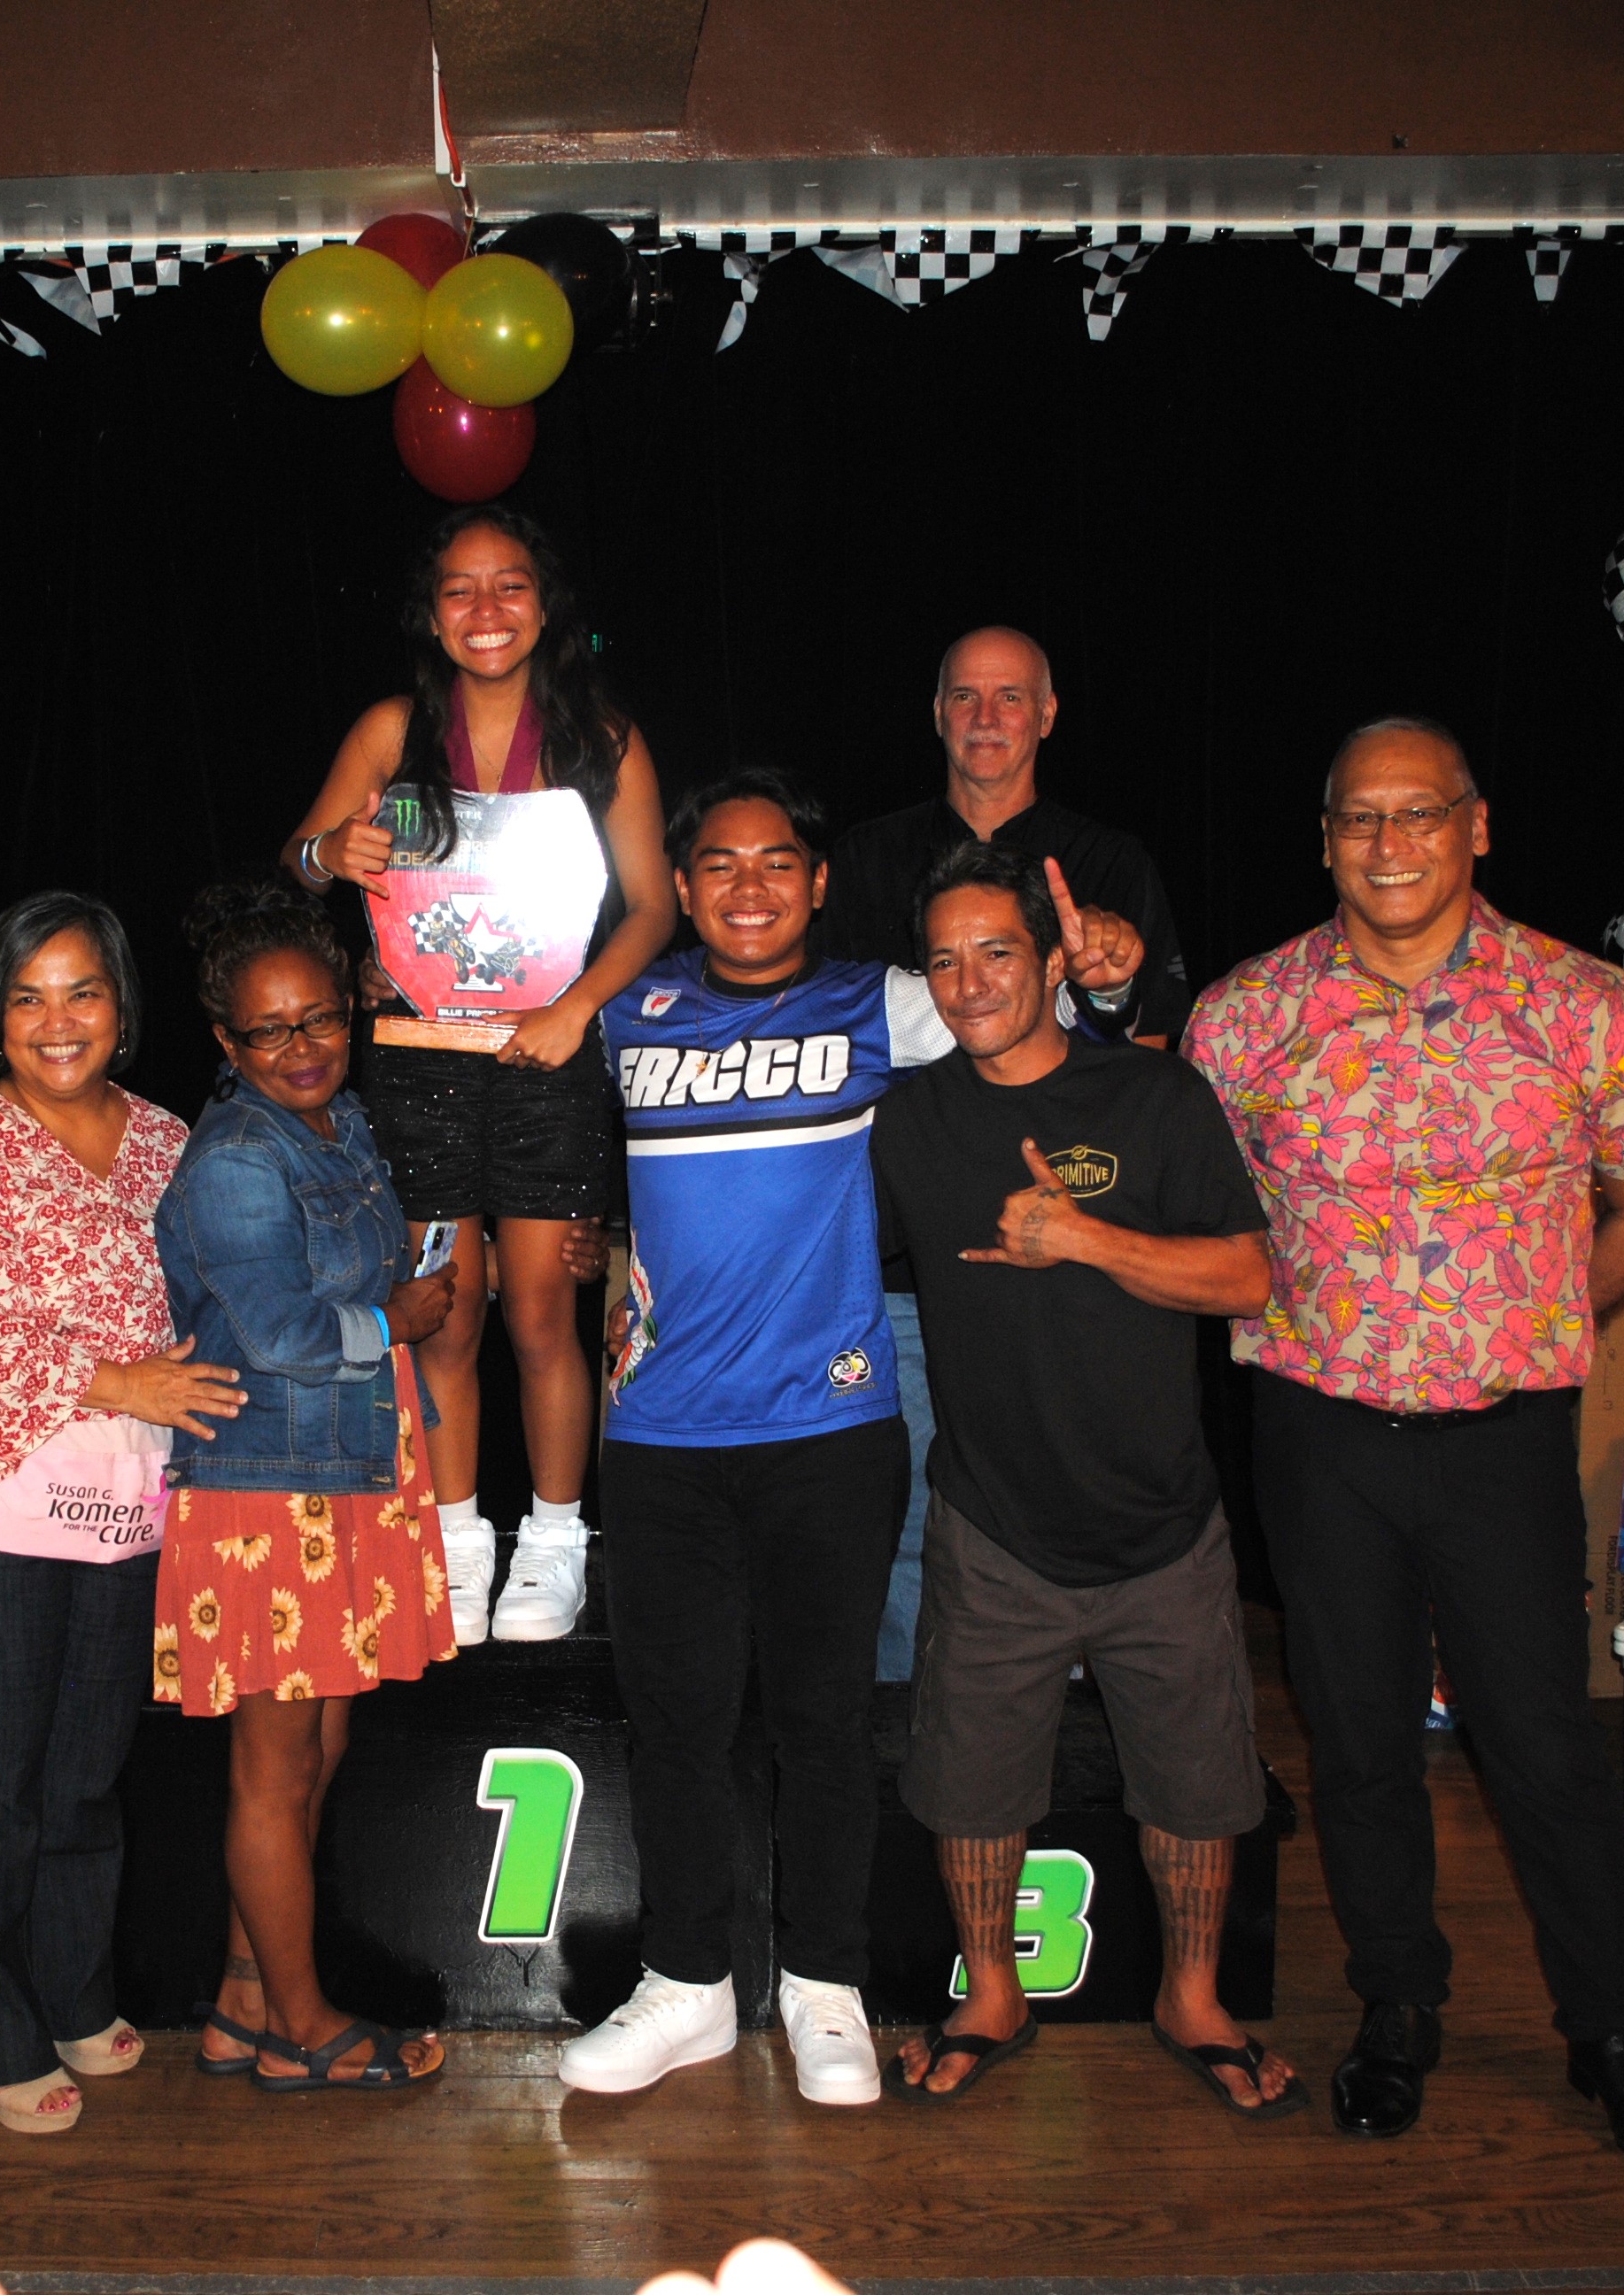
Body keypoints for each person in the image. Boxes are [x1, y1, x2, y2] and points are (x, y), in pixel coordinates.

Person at [1183, 716, 1624, 2179]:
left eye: (1419, 814)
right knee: (1353, 1743)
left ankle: (1611, 2031)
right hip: (1315, 1432)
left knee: (1539, 1744)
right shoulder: (1245, 1019)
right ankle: (1396, 2006)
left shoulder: (1585, 1008)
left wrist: (1531, 1316)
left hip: (1498, 1439)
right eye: (1359, 817)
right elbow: (1208, 1215)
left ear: (1476, 826)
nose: (1388, 842)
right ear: (1324, 838)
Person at [870, 843, 1295, 2113]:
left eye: (997, 951)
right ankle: (992, 1993)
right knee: (974, 1780)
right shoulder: (914, 1120)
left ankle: (1194, 1997)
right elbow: (819, 1249)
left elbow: (1250, 1280)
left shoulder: (1157, 1103)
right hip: (994, 1520)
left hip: (1162, 1521)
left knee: (1200, 1782)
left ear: (1054, 964)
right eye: (944, 959)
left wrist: (1083, 1240)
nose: (970, 981)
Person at [559, 769, 948, 2108]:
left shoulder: (878, 1005)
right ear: (684, 885)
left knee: (824, 1722)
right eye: (717, 864)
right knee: (676, 1727)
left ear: (820, 879)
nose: (747, 886)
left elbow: (1025, 1010)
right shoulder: (624, 1009)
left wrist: (1111, 983)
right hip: (662, 1439)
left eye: (775, 861)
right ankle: (689, 1986)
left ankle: (823, 1984)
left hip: (830, 1430)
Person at [281, 506, 675, 1644]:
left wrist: (576, 1009)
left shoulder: (601, 737)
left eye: (509, 585)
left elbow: (651, 906)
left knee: (548, 1311)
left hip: (547, 1061)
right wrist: (332, 853)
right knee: (442, 1311)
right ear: (431, 612)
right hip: (415, 1067)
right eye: (460, 589)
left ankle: (555, 1538)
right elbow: (301, 862)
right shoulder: (391, 732)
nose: (486, 610)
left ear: (545, 604)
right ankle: (452, 1535)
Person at [0, 893, 233, 2135]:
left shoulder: (170, 1141)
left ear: (123, 1007)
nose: (57, 1019)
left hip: (126, 1499)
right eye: (28, 994)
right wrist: (117, 1376)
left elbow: (217, 1290)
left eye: (81, 990)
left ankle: (74, 1993)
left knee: (87, 1772)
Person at [820, 628, 1180, 1687]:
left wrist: (1105, 991)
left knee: (1055, 1519)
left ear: (1048, 715)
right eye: (965, 697)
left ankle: (1059, 1770)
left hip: (1067, 1261)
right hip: (897, 1268)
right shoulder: (870, 858)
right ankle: (905, 1754)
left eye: (1010, 698)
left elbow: (1146, 1063)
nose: (986, 718)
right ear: (935, 713)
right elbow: (818, 1047)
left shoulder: (1107, 864)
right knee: (903, 1528)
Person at [151, 885, 460, 2090]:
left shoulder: (343, 1126)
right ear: (225, 1045)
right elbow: (279, 1331)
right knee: (275, 1770)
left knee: (317, 1753)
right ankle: (302, 2028)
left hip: (345, 1473)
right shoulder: (234, 1155)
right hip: (268, 1490)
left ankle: (243, 1999)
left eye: (320, 1018)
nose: (301, 1047)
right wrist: (399, 1317)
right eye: (268, 1031)